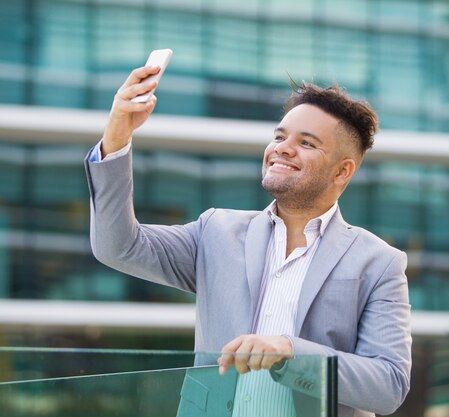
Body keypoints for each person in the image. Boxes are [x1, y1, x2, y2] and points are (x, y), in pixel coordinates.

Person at [85, 64, 411, 417]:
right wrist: (117, 134)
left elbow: (389, 384)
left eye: (306, 143)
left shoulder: (378, 262)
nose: (283, 149)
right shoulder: (215, 232)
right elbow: (117, 246)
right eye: (279, 136)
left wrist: (289, 352)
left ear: (342, 171)